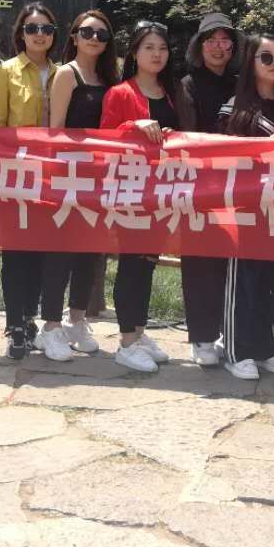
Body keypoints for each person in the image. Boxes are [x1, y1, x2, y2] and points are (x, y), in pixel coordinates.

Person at [37, 8, 118, 361]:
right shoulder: (66, 74)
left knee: (91, 251)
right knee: (61, 253)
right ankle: (51, 327)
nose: (94, 39)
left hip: (100, 177)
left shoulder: (109, 78)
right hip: (68, 175)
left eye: (102, 34)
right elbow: (54, 129)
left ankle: (77, 320)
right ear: (74, 37)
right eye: (87, 32)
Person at [99, 20, 176, 373]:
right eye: (149, 48)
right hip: (130, 190)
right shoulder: (120, 93)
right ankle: (127, 341)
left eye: (162, 48)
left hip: (161, 191)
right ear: (134, 52)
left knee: (147, 263)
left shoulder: (169, 91)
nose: (157, 54)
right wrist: (133, 127)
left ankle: (140, 332)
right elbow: (104, 139)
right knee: (131, 263)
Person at [215, 34, 274, 380]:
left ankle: (268, 347)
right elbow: (219, 159)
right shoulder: (234, 108)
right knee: (243, 278)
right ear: (250, 61)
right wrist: (262, 150)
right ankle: (236, 350)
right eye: (266, 57)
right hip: (245, 208)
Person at [0, 2, 58, 358]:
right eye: (32, 28)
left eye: (46, 29)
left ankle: (31, 318)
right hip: (16, 174)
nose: (39, 35)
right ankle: (15, 324)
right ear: (21, 34)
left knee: (41, 253)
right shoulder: (6, 71)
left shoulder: (63, 73)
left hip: (54, 176)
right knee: (15, 253)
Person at [175, 12, 241, 367]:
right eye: (211, 40)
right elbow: (189, 134)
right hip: (200, 184)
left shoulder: (241, 83)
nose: (218, 47)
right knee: (199, 260)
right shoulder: (188, 84)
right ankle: (201, 337)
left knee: (233, 262)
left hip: (239, 184)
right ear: (200, 46)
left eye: (225, 40)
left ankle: (229, 333)